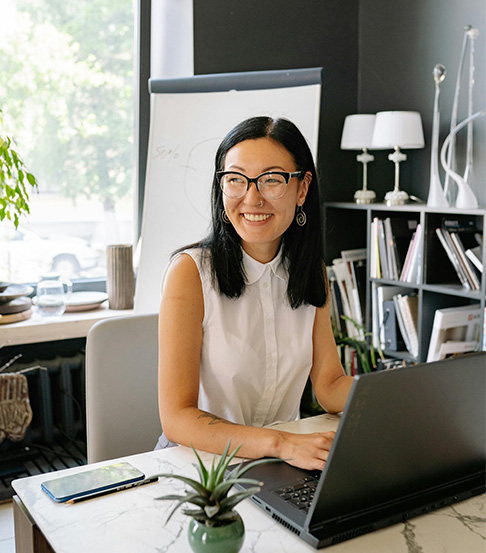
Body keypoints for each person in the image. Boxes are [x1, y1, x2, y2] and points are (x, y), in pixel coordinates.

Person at [156, 116, 353, 470]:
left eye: (272, 180)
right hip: (199, 466)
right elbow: (177, 417)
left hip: (280, 461)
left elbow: (329, 384)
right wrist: (279, 443)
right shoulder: (189, 273)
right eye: (235, 180)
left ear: (302, 188)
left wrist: (395, 400)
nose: (252, 198)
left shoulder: (310, 272)